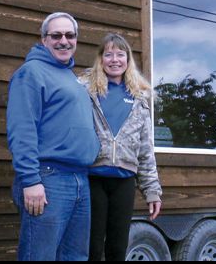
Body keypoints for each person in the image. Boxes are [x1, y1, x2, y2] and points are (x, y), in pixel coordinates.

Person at [7, 12, 100, 261]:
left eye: (70, 35)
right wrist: (30, 180)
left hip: (79, 179)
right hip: (48, 180)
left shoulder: (71, 77)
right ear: (44, 39)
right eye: (56, 35)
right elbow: (22, 129)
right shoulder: (31, 73)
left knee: (75, 257)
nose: (64, 41)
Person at [81, 33, 163, 261]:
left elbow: (146, 150)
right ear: (100, 58)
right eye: (108, 54)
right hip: (92, 178)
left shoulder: (139, 97)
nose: (114, 59)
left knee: (117, 248)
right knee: (91, 247)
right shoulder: (85, 91)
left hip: (125, 181)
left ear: (128, 59)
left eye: (120, 54)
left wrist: (152, 191)